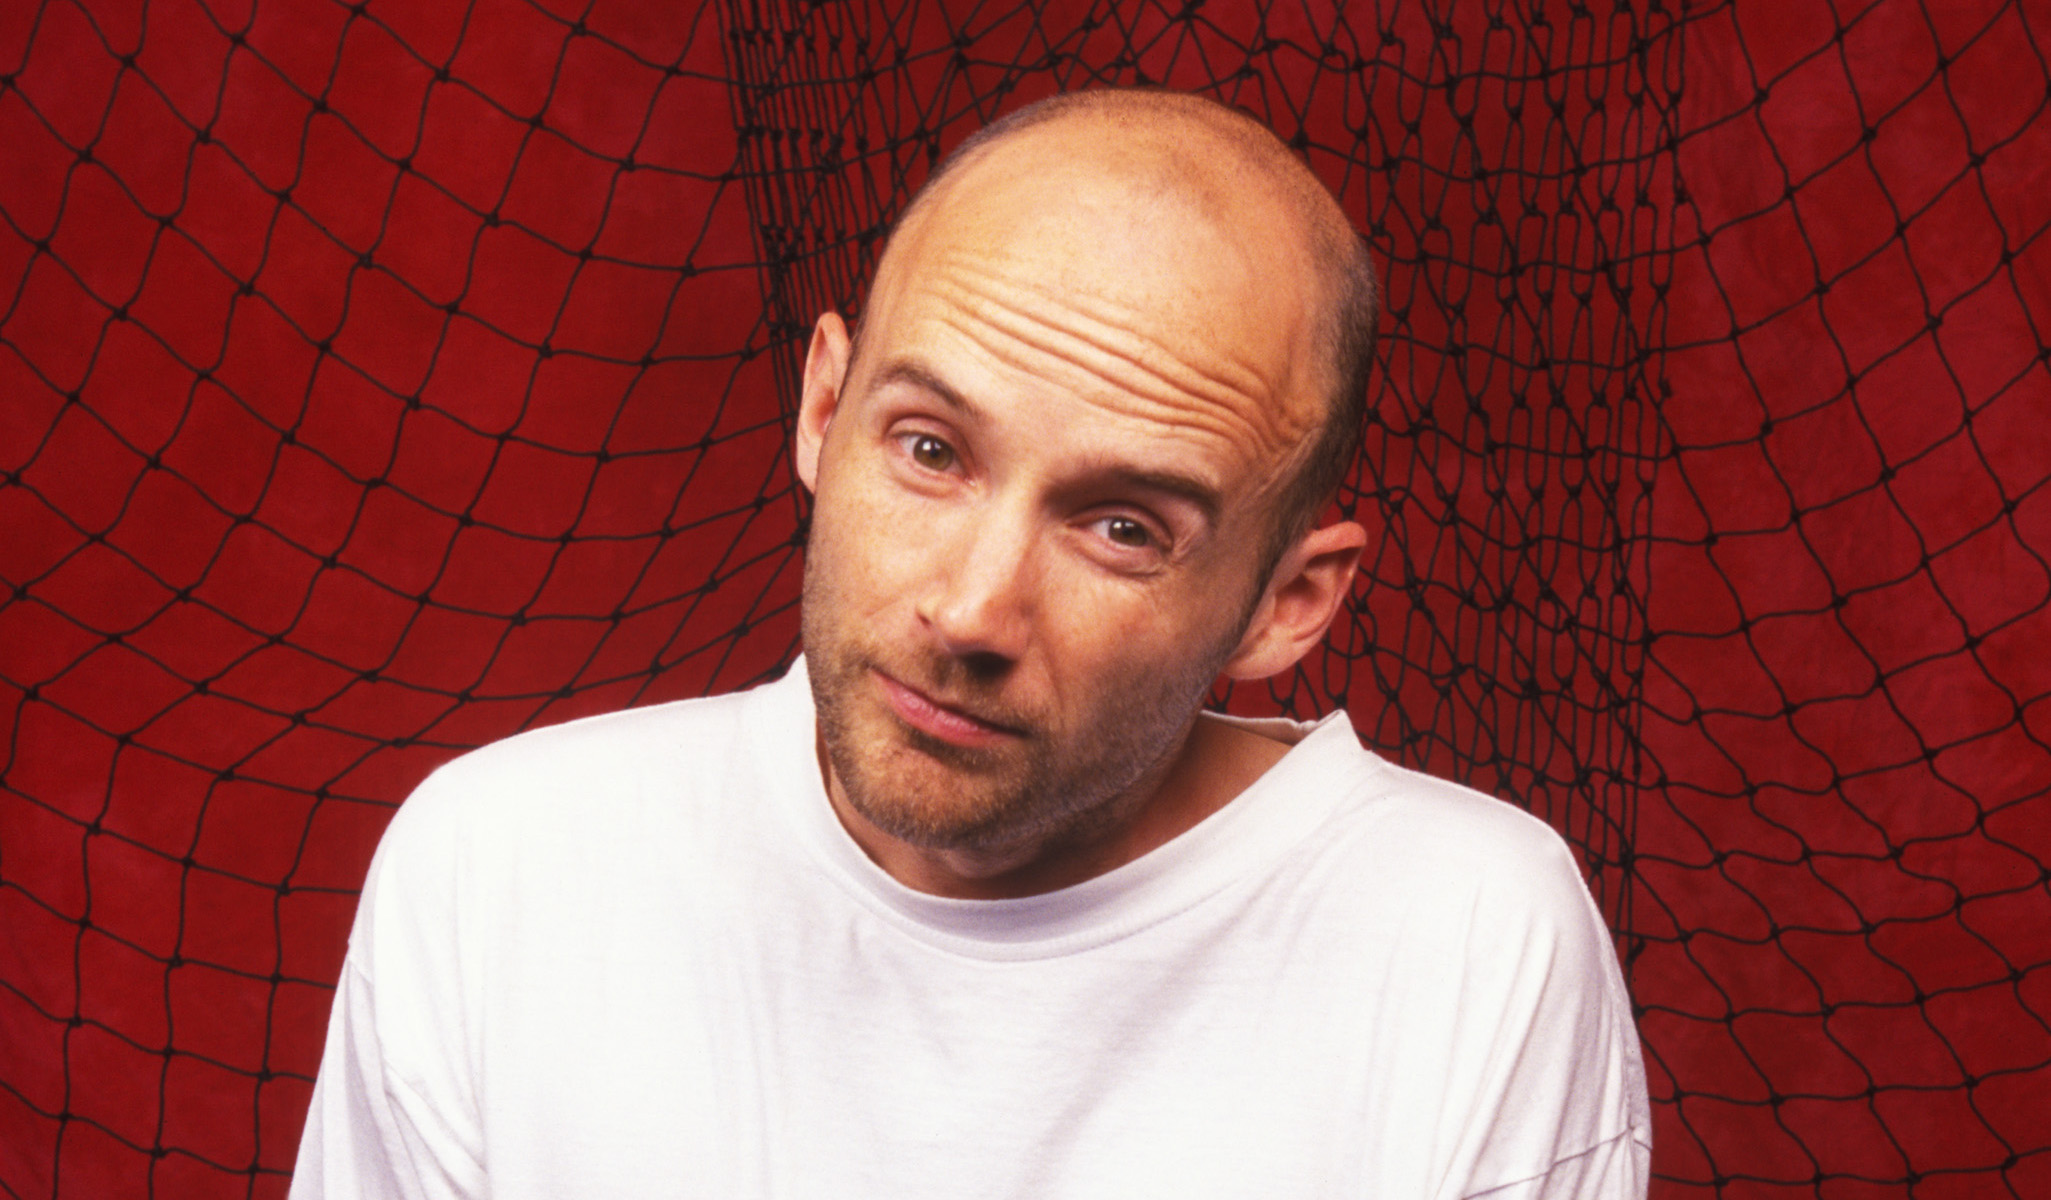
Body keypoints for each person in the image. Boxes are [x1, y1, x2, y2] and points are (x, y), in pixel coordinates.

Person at [291, 89, 1650, 1199]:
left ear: (1285, 605)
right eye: (931, 450)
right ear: (824, 409)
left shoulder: (1470, 942)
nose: (973, 611)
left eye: (1122, 528)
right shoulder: (504, 869)